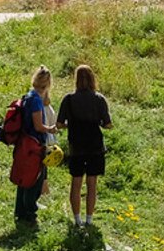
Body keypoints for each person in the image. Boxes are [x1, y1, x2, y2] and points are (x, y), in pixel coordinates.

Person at [56, 65, 113, 227]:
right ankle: (89, 219)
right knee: (92, 183)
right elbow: (108, 124)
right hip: (95, 146)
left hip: (76, 146)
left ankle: (76, 219)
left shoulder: (69, 99)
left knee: (76, 182)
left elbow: (59, 124)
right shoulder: (99, 99)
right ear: (92, 79)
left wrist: (69, 125)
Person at [10, 68, 55, 229]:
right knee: (34, 179)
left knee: (24, 177)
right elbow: (38, 126)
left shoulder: (28, 95)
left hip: (24, 142)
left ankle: (19, 211)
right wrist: (51, 128)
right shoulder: (36, 100)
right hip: (34, 144)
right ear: (48, 83)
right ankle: (30, 214)